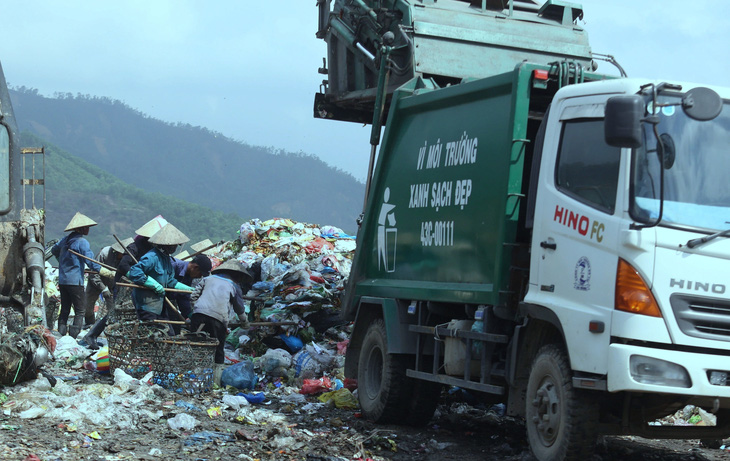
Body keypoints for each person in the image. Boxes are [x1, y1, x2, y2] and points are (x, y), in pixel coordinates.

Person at [190, 260, 252, 383]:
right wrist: (245, 322)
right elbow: (239, 308)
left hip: (198, 316)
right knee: (217, 349)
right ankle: (215, 382)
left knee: (195, 345)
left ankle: (193, 379)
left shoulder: (207, 279)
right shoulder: (234, 286)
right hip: (218, 319)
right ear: (237, 276)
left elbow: (193, 297)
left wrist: (197, 309)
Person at [127, 223, 193, 322]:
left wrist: (188, 289)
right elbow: (134, 272)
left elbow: (170, 281)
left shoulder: (167, 260)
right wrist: (153, 284)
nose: (175, 248)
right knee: (151, 331)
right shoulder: (152, 257)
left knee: (167, 332)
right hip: (147, 304)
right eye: (173, 245)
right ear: (166, 245)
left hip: (159, 304)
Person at [51, 212, 101, 338]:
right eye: (87, 227)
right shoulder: (81, 242)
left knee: (65, 308)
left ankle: (61, 334)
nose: (88, 229)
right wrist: (101, 270)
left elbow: (53, 250)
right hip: (74, 281)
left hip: (63, 280)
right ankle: (73, 336)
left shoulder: (65, 240)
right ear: (81, 229)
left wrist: (61, 260)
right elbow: (90, 261)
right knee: (80, 310)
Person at [84, 237, 132, 326]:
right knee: (88, 306)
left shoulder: (126, 259)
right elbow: (94, 272)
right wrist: (103, 288)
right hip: (96, 281)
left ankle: (109, 325)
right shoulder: (105, 253)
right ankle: (89, 324)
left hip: (112, 284)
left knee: (112, 307)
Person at [170, 254, 212, 319]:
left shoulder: (189, 276)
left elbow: (183, 297)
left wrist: (189, 314)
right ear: (195, 267)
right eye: (200, 273)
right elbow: (165, 282)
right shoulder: (173, 265)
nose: (200, 276)